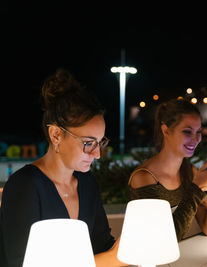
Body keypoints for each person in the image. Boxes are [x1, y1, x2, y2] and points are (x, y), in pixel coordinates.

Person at [0, 69, 127, 267]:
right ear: (56, 135)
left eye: (100, 142)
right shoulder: (23, 186)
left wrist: (129, 249)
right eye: (88, 142)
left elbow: (102, 247)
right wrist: (112, 259)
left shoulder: (87, 183)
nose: (97, 154)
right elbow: (20, 263)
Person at [128, 98, 207, 241]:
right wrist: (196, 188)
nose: (195, 139)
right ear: (165, 130)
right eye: (187, 132)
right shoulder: (144, 177)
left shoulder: (189, 172)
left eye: (198, 132)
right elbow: (166, 239)